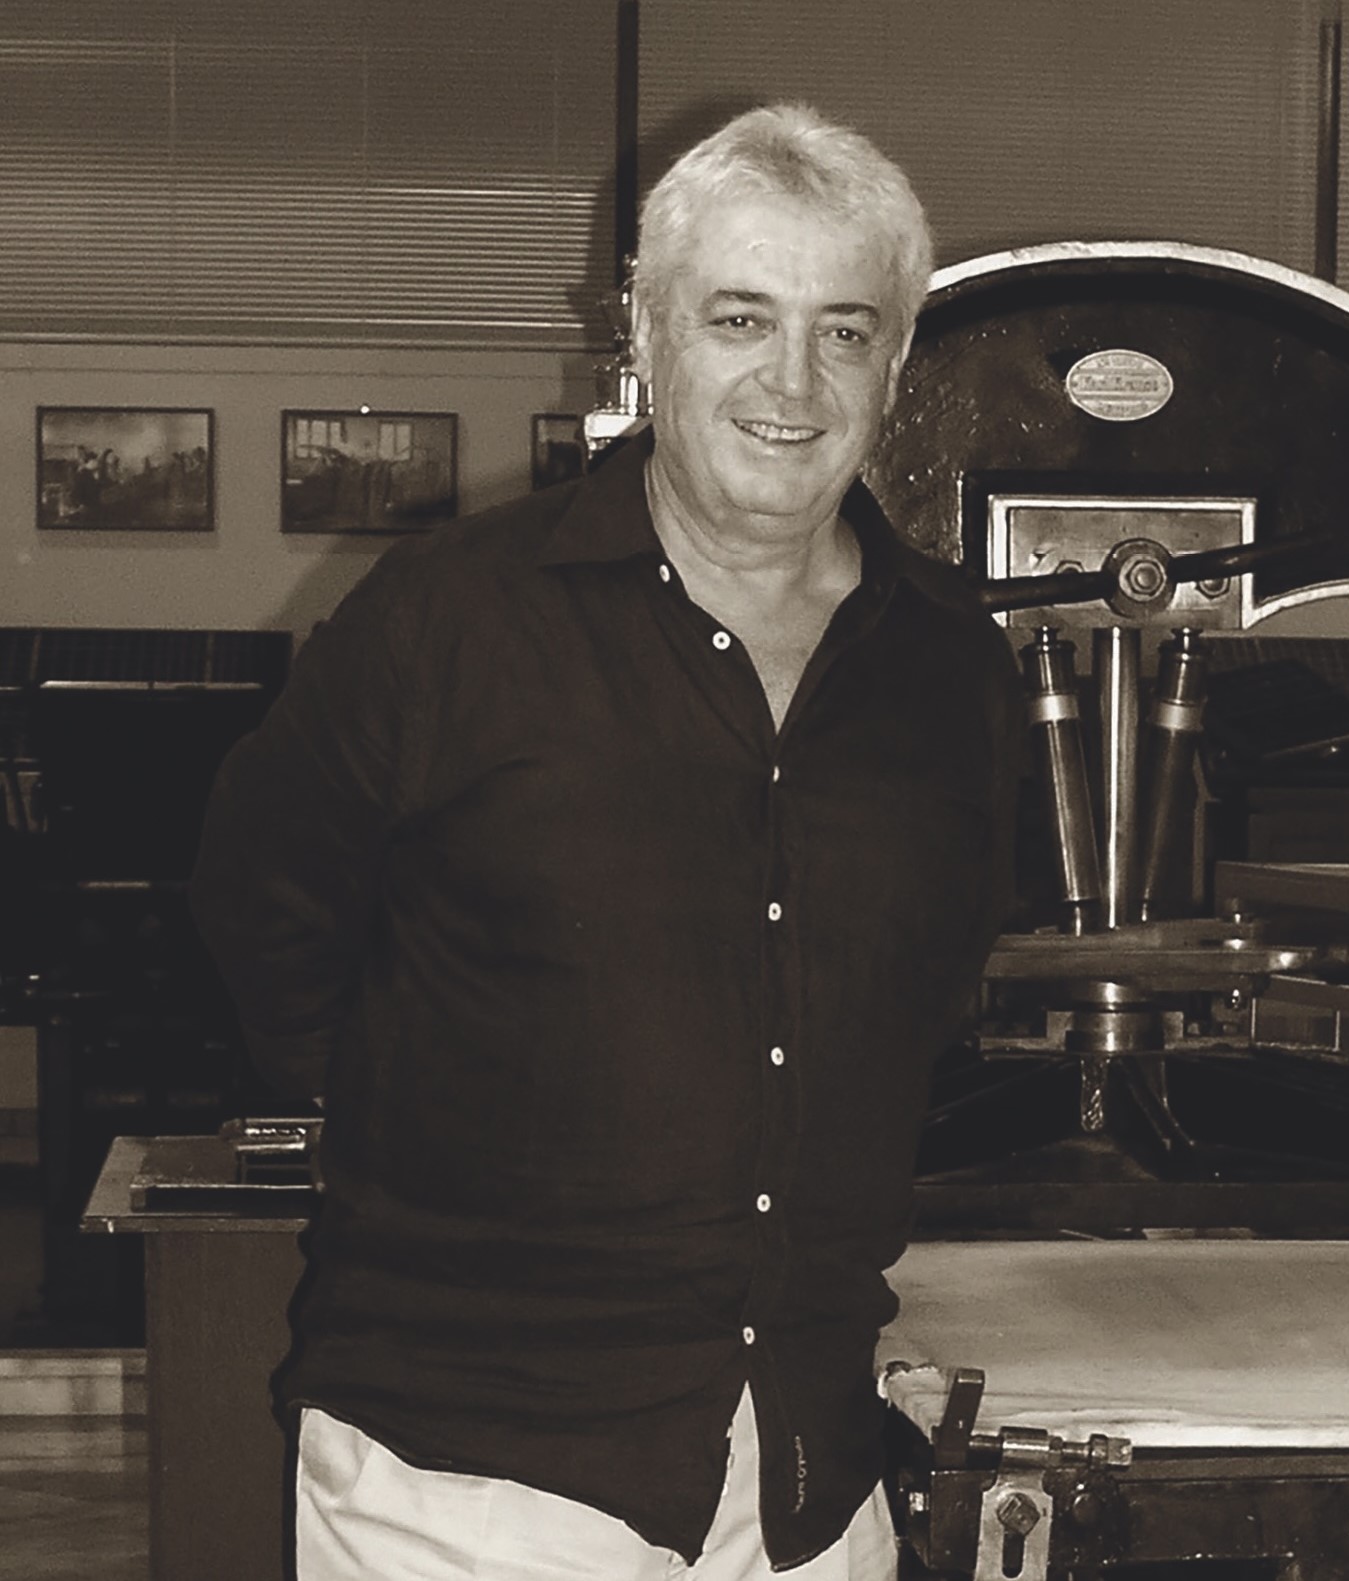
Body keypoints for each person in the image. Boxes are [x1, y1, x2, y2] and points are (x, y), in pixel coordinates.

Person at [190, 103, 1022, 1580]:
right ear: (644, 334)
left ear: (896, 363)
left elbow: (932, 989)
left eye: (843, 331)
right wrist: (453, 1135)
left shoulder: (951, 662)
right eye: (740, 318)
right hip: (470, 1475)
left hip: (803, 1474)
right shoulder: (450, 620)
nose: (791, 381)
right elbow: (266, 915)